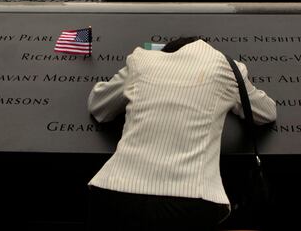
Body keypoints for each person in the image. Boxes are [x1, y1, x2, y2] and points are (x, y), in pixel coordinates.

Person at [87, 36, 276, 231]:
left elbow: (99, 107)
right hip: (191, 201)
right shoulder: (228, 68)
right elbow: (266, 113)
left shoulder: (141, 60)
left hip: (114, 191)